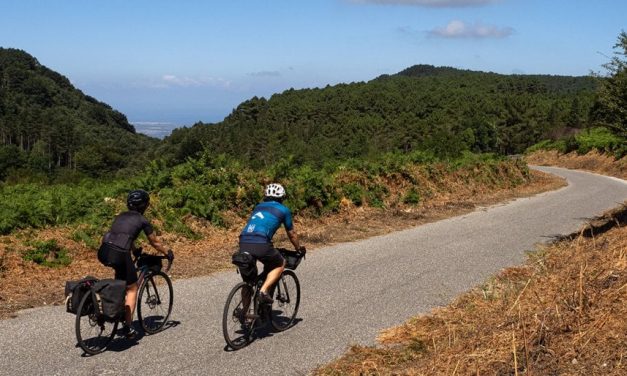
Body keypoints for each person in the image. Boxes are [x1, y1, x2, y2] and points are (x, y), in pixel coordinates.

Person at [97, 189, 174, 338]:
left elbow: (124, 236)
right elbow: (154, 242)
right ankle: (128, 326)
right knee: (132, 288)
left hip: (104, 250)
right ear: (144, 206)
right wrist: (167, 252)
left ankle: (112, 308)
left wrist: (134, 250)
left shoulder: (120, 216)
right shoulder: (142, 220)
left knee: (120, 283)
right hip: (120, 252)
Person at [238, 183, 304, 304]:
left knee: (248, 281)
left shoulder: (258, 207)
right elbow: (292, 234)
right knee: (280, 263)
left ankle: (245, 315)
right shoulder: (284, 210)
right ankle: (263, 291)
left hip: (243, 241)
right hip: (261, 243)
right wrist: (298, 248)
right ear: (282, 198)